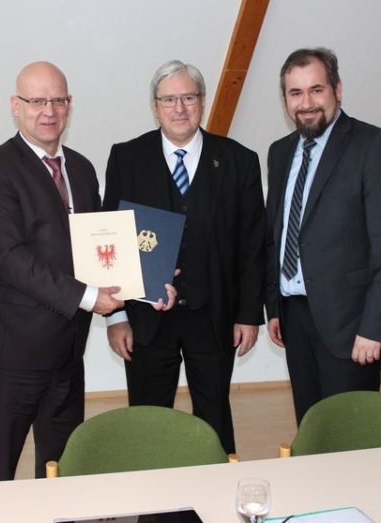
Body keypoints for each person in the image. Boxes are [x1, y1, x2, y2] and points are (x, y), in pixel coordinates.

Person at [0, 61, 175, 480]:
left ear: (70, 105)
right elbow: (8, 257)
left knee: (62, 471)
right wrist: (90, 298)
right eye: (36, 101)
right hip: (11, 357)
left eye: (58, 100)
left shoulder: (80, 168)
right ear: (15, 105)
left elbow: (101, 249)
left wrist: (143, 288)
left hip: (67, 356)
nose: (48, 110)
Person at [102, 60, 266, 454]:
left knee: (214, 419)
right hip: (146, 319)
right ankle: (154, 508)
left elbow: (252, 244)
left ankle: (215, 503)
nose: (180, 108)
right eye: (169, 99)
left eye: (188, 97)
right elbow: (112, 240)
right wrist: (117, 316)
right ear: (155, 106)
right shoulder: (127, 158)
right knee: (148, 420)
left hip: (214, 317)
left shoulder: (239, 161)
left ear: (202, 102)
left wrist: (247, 314)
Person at [265, 47, 381, 424]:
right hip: (295, 316)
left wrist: (373, 328)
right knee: (312, 425)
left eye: (316, 90)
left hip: (352, 324)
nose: (306, 103)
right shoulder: (280, 152)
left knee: (351, 434)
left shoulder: (374, 146)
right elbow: (276, 231)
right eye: (295, 93)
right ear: (285, 99)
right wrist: (274, 306)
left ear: (338, 89)